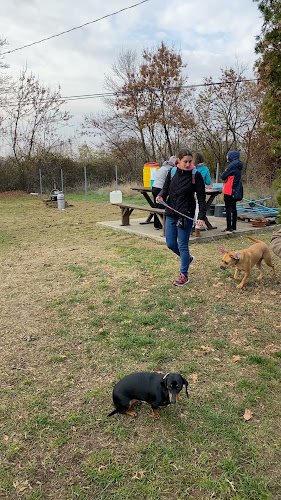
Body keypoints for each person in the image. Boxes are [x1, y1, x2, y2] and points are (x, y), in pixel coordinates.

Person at [156, 148, 206, 286]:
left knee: (183, 245)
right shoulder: (171, 172)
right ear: (178, 161)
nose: (188, 164)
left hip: (186, 215)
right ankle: (187, 259)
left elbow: (202, 198)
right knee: (171, 244)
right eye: (185, 161)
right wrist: (160, 195)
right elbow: (165, 188)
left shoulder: (196, 175)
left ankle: (184, 275)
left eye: (190, 161)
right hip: (172, 213)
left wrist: (201, 216)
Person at [152, 156, 177, 229]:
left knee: (156, 206)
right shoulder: (170, 169)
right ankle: (161, 224)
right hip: (160, 189)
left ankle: (156, 224)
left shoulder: (162, 167)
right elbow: (169, 181)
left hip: (154, 187)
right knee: (161, 207)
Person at [221, 150, 243, 234]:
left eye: (228, 155)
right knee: (234, 208)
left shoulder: (231, 166)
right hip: (235, 189)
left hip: (228, 189)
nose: (227, 157)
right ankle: (234, 226)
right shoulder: (239, 165)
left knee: (228, 209)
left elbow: (223, 176)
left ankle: (228, 227)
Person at [193, 153, 212, 237]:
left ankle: (190, 227)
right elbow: (208, 182)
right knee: (199, 208)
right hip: (200, 191)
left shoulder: (192, 168)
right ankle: (197, 227)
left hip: (191, 190)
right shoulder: (205, 169)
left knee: (191, 208)